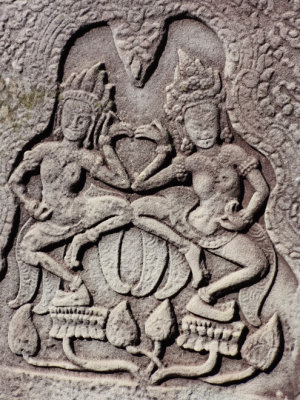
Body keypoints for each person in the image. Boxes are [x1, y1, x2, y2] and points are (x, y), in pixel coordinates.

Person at [131, 50, 269, 320]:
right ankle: (187, 249)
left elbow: (261, 189)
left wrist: (247, 217)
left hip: (222, 232)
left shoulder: (233, 154)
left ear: (220, 120)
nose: (204, 131)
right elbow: (140, 184)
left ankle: (204, 299)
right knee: (136, 210)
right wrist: (162, 149)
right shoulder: (190, 162)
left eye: (209, 123)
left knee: (258, 265)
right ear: (183, 129)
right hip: (191, 225)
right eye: (196, 126)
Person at [9, 62, 133, 307]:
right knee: (25, 249)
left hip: (80, 213)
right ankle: (75, 285)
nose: (74, 123)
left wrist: (107, 146)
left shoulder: (84, 157)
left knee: (125, 209)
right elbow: (15, 181)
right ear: (59, 115)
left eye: (82, 120)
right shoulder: (45, 150)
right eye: (69, 115)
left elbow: (123, 182)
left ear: (91, 126)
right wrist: (30, 203)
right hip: (51, 220)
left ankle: (83, 240)